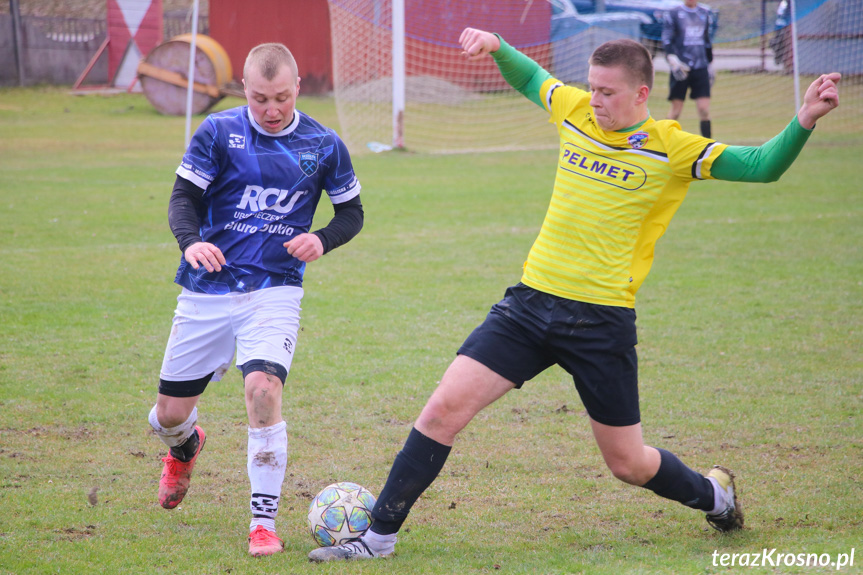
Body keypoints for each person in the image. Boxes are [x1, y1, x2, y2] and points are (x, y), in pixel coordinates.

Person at [308, 27, 841, 563]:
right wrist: (496, 44)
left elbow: (761, 167)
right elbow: (533, 79)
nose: (595, 100)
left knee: (628, 464)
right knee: (442, 410)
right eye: (592, 87)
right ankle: (378, 538)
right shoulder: (574, 111)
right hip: (529, 303)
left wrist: (804, 119)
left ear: (640, 94)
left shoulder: (672, 147)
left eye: (607, 92)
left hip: (599, 322)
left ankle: (715, 494)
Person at [148, 43, 364, 557]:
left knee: (263, 392)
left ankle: (262, 524)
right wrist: (191, 242)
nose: (272, 109)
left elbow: (351, 213)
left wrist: (323, 239)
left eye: (283, 98)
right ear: (244, 88)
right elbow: (183, 199)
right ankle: (185, 444)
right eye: (262, 98)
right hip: (208, 289)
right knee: (168, 415)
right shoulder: (218, 133)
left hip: (275, 289)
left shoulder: (323, 143)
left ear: (297, 90)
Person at [662, 0, 716, 138]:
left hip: (700, 67)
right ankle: (664, 141)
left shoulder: (704, 13)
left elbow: (706, 40)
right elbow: (667, 39)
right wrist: (672, 59)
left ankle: (708, 145)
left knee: (704, 110)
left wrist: (710, 64)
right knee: (676, 111)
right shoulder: (673, 13)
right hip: (681, 68)